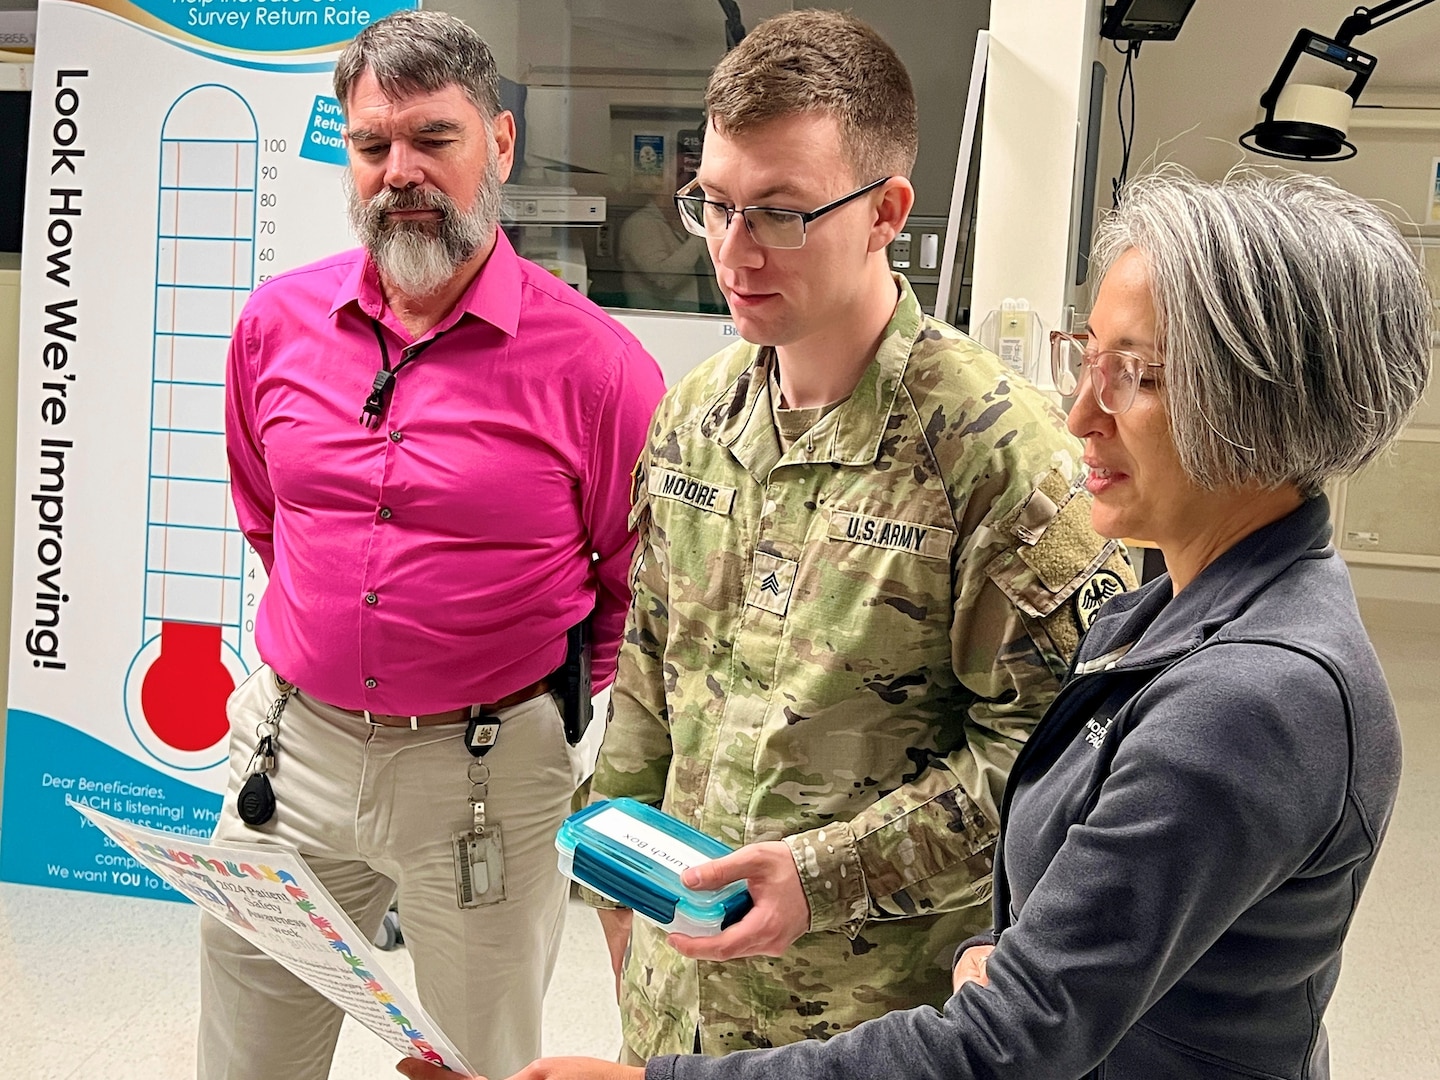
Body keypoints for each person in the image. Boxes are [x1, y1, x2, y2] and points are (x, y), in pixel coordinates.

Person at [399, 168, 1432, 1080]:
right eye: (1091, 358)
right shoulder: (1174, 611)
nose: (1081, 415)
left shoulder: (1252, 698)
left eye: (1142, 376)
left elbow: (1013, 1043)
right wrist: (1010, 942)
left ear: (1265, 405)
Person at [581, 9, 1131, 1065]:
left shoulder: (1000, 456)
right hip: (679, 993)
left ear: (886, 212)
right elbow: (654, 672)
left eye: (782, 214)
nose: (735, 252)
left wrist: (826, 875)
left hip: (872, 1023)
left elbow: (1054, 765)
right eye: (716, 205)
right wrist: (612, 881)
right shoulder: (696, 418)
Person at [199, 10, 664, 1080]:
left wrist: (513, 702)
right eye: (373, 146)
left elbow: (632, 586)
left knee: (481, 1065)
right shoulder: (275, 327)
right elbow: (268, 514)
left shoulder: (596, 367)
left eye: (433, 139)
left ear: (498, 144)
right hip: (290, 755)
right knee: (247, 1055)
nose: (399, 172)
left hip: (486, 772)